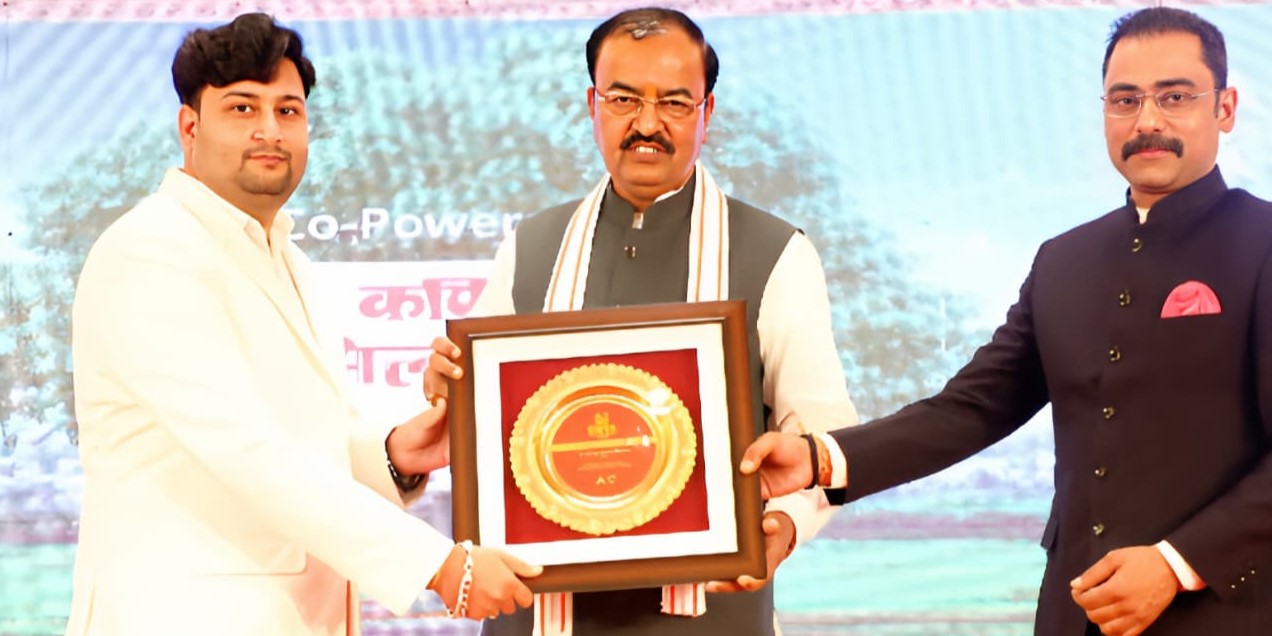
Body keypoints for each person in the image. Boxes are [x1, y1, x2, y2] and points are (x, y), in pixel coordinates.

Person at [740, 7, 1271, 636]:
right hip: (1071, 613)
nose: (1148, 120)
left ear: (1226, 108)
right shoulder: (1065, 261)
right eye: (1125, 99)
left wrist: (1175, 564)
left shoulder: (1263, 242)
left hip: (1226, 612)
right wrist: (817, 459)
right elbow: (971, 409)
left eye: (1175, 96)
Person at [67, 13, 538, 636]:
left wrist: (397, 455)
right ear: (189, 126)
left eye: (288, 111)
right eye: (242, 108)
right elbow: (244, 449)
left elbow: (300, 436)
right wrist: (439, 565)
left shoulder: (287, 258)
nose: (269, 131)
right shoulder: (150, 250)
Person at [423, 7, 857, 636]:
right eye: (624, 99)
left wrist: (783, 526)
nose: (647, 124)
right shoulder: (532, 245)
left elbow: (823, 435)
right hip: (539, 614)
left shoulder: (775, 251)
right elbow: (483, 424)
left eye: (675, 103)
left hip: (710, 614)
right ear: (592, 105)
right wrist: (450, 390)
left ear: (706, 115)